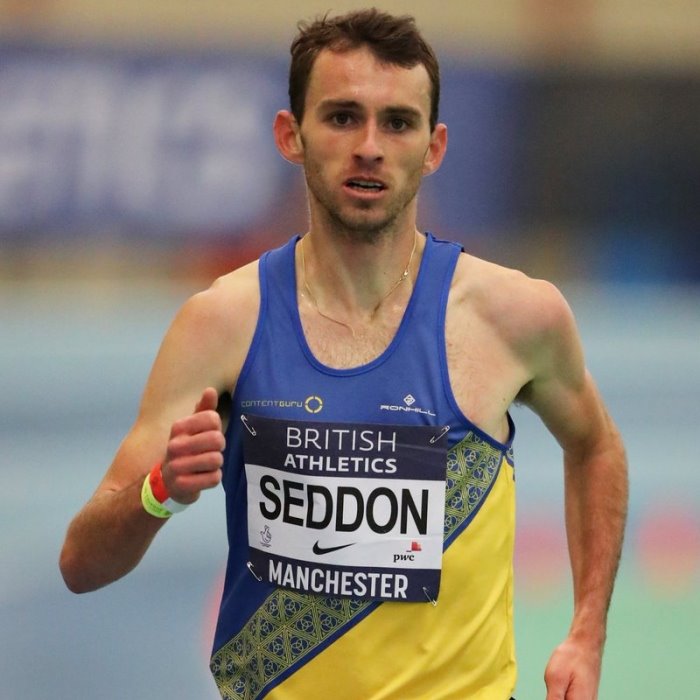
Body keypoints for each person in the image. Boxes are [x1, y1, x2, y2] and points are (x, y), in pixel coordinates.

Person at [59, 8, 628, 700]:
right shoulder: (223, 323)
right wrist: (160, 491)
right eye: (342, 117)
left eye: (398, 123)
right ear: (290, 135)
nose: (369, 147)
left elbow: (596, 447)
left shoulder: (512, 316)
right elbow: (81, 564)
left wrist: (587, 633)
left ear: (434, 147)